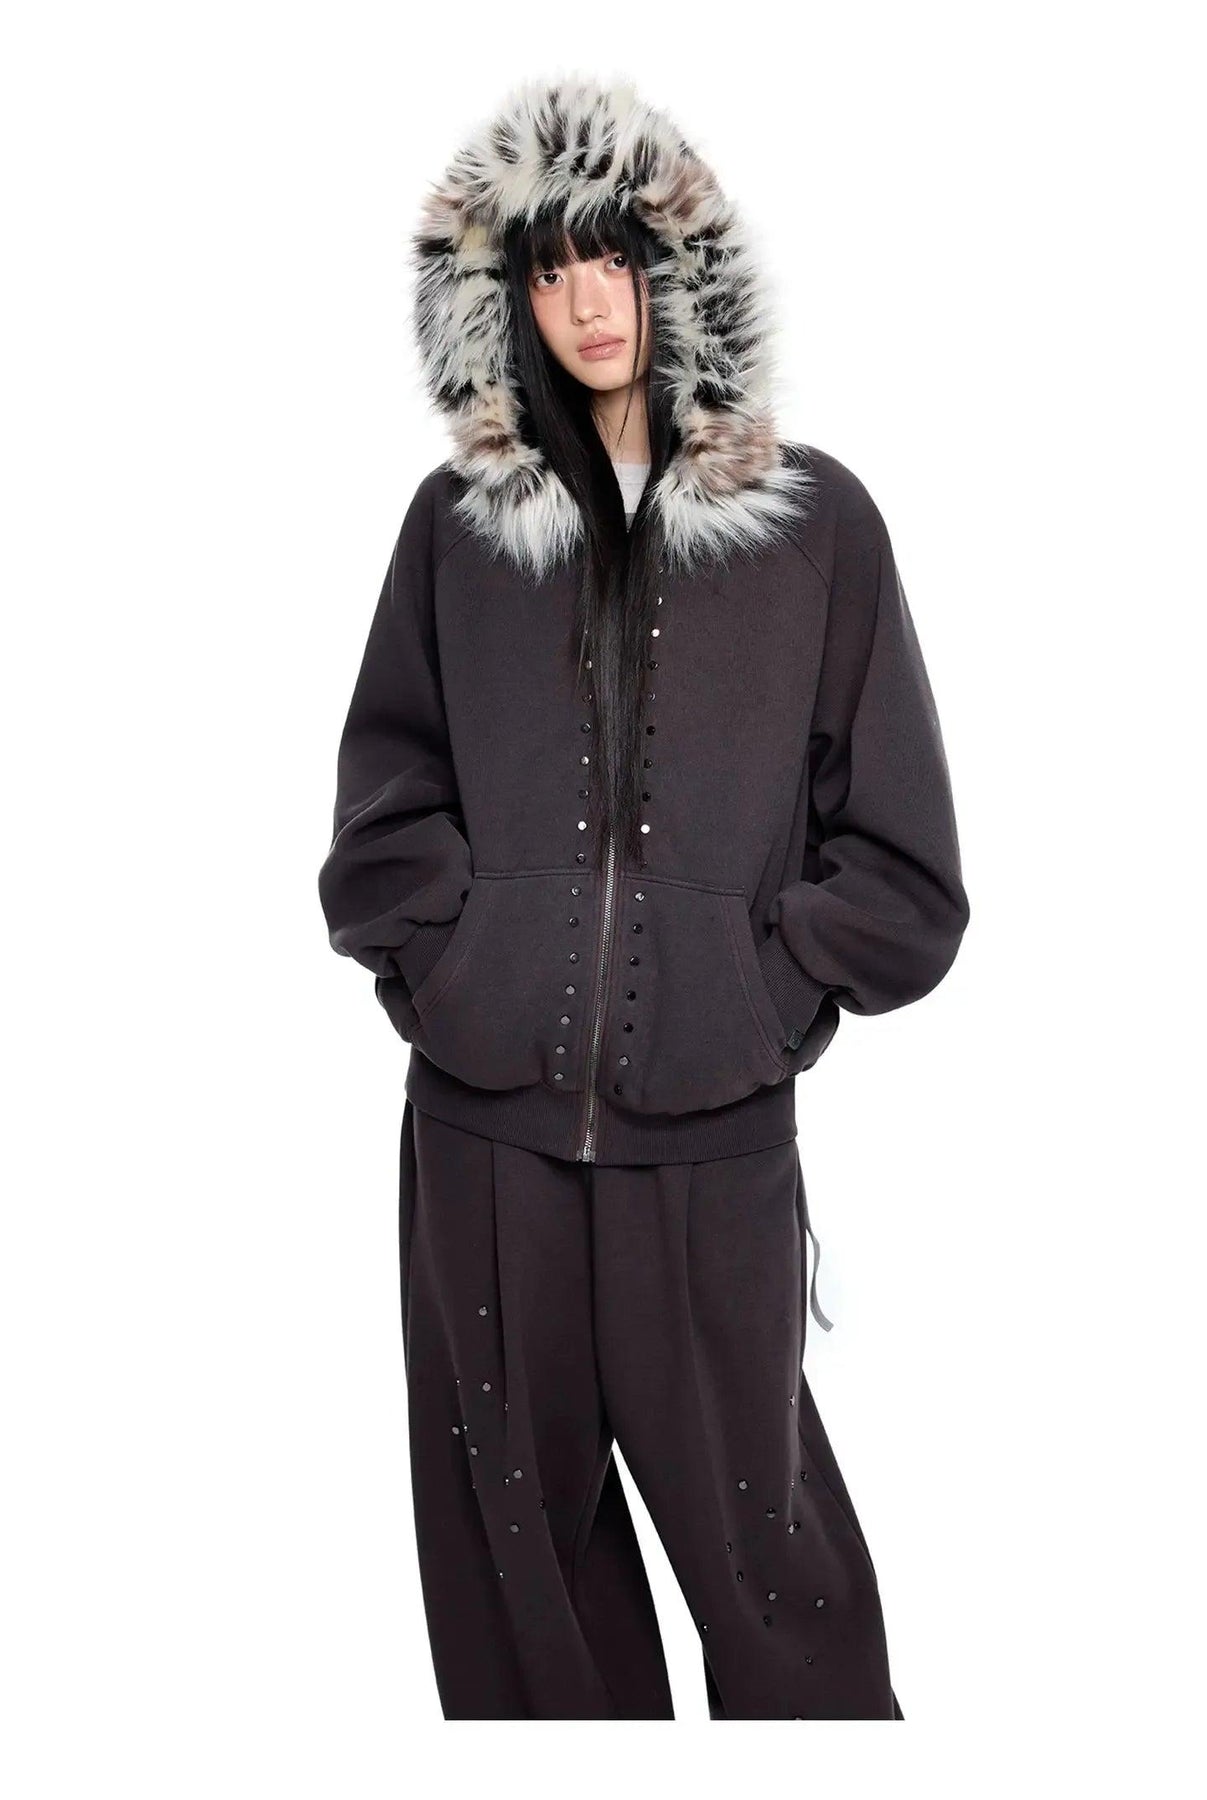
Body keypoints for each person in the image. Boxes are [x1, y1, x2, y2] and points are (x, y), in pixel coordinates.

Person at [318, 72, 970, 1720]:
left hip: (713, 1147)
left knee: (778, 1586)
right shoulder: (455, 533)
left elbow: (905, 870)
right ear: (506, 302)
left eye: (614, 257)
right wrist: (459, 968)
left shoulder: (815, 528)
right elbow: (382, 817)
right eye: (548, 269)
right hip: (481, 1150)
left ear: (680, 269)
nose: (588, 300)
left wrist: (760, 989)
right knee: (520, 1590)